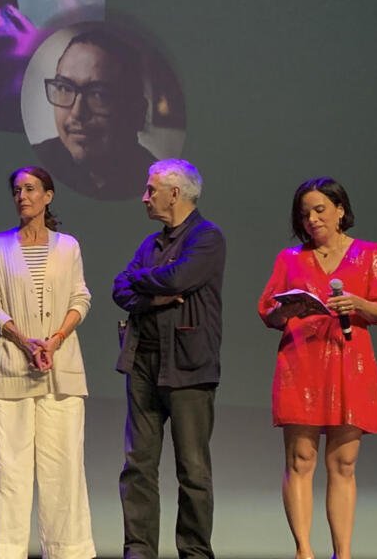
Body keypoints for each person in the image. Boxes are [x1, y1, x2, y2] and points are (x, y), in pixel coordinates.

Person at [258, 177, 377, 559]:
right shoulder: (290, 259)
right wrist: (288, 310)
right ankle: (304, 550)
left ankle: (342, 553)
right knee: (301, 459)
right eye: (305, 214)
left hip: (351, 361)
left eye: (319, 210)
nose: (312, 219)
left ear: (340, 209)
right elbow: (268, 310)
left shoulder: (370, 254)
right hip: (302, 363)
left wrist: (357, 304)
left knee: (344, 462)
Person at [0, 166, 95, 559]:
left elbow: (81, 298)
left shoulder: (68, 246)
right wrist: (24, 341)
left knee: (64, 473)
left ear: (48, 195)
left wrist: (55, 339)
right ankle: (6, 551)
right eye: (16, 190)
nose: (22, 196)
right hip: (11, 370)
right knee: (9, 473)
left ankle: (68, 552)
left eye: (30, 188)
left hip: (61, 374)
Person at [112, 158, 225, 559]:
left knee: (192, 470)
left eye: (151, 190)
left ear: (174, 193)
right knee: (138, 466)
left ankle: (194, 553)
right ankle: (138, 551)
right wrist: (154, 295)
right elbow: (118, 287)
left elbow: (180, 278)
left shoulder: (208, 238)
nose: (144, 197)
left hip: (189, 366)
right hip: (143, 363)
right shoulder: (151, 244)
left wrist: (145, 285)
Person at [32, 29, 157, 201]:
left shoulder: (157, 183)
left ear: (137, 113)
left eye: (99, 95)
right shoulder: (37, 163)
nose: (77, 113)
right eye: (64, 88)